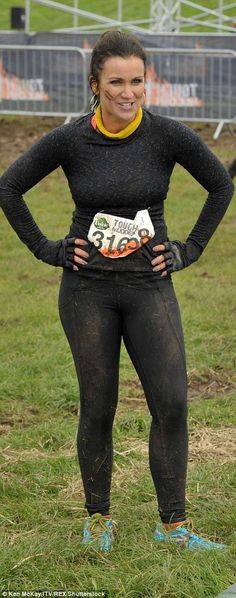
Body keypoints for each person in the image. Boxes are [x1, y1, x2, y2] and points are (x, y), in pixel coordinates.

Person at [0, 31, 234, 554]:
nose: (127, 94)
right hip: (88, 291)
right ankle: (98, 516)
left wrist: (189, 249)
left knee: (172, 403)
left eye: (136, 82)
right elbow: (8, 187)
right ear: (95, 85)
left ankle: (173, 525)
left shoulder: (167, 136)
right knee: (98, 406)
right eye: (115, 83)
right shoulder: (70, 139)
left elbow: (221, 184)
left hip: (150, 285)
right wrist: (47, 248)